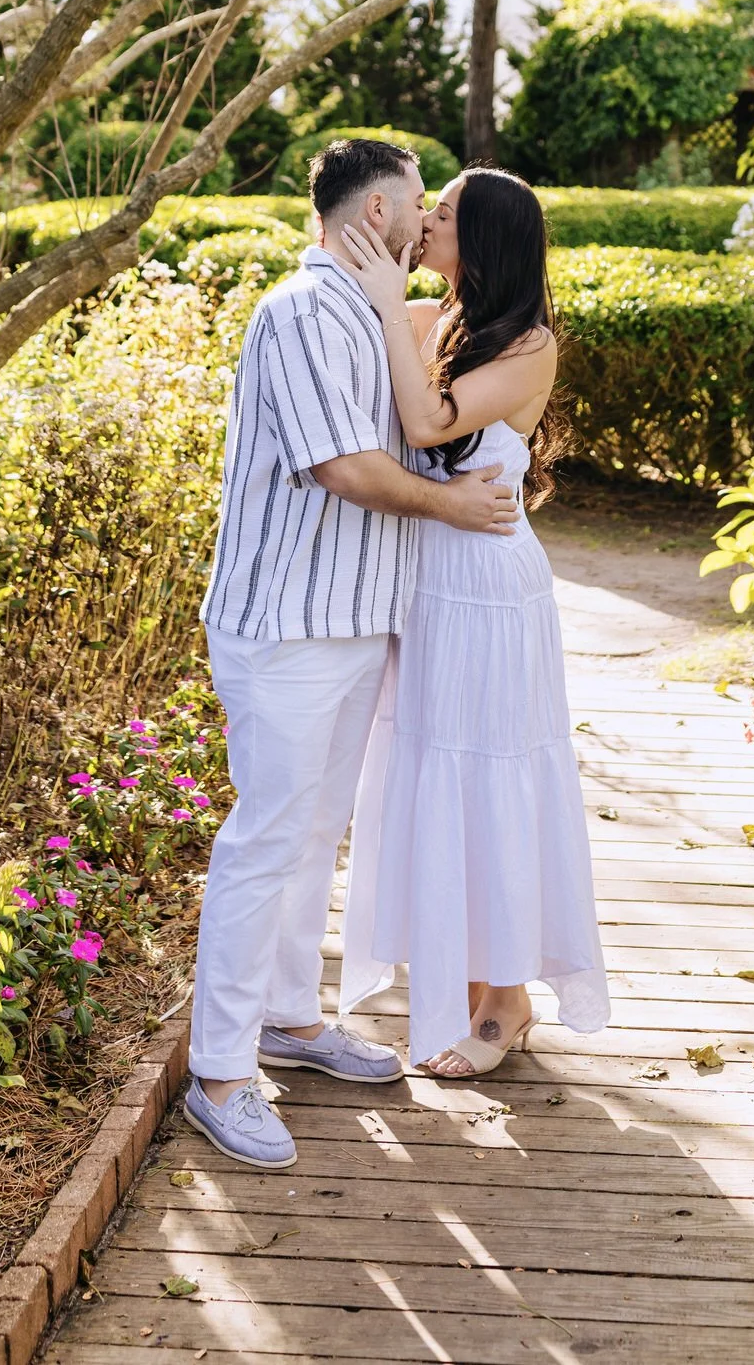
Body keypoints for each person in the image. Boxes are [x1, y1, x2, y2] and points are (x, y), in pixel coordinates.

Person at [184, 136, 522, 1169]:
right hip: (288, 625)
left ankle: (290, 1017)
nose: (426, 220)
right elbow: (342, 466)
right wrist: (452, 506)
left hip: (353, 618)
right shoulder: (301, 312)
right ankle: (220, 1073)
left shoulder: (369, 311)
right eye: (419, 202)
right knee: (267, 839)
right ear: (377, 212)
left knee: (313, 834)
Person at [338, 165, 610, 1076]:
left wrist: (391, 307)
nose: (426, 222)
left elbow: (426, 425)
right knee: (431, 771)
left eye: (444, 214)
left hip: (491, 588)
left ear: (483, 237)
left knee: (491, 774)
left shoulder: (530, 345)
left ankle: (507, 998)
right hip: (428, 580)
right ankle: (456, 976)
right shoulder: (439, 318)